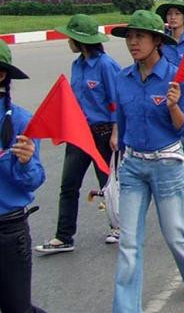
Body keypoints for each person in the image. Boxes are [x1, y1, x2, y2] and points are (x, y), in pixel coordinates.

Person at [109, 10, 184, 310]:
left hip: (167, 164)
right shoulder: (122, 78)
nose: (133, 42)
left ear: (157, 41)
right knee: (128, 243)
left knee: (174, 233)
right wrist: (118, 142)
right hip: (133, 167)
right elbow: (122, 118)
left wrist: (174, 107)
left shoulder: (175, 77)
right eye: (129, 36)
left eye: (140, 36)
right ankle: (126, 308)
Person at [35, 15, 120, 255]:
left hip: (104, 134)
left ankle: (119, 226)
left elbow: (116, 101)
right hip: (79, 134)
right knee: (69, 185)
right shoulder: (78, 65)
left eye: (70, 37)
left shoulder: (106, 65)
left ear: (80, 40)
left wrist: (116, 133)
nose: (67, 41)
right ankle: (64, 237)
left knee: (109, 185)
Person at [0, 42, 47, 313]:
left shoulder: (19, 121)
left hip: (8, 231)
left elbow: (33, 181)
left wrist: (26, 162)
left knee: (16, 308)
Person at [156, 0, 184, 206]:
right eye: (169, 14)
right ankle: (182, 185)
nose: (172, 17)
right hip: (170, 97)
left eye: (176, 14)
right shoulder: (161, 43)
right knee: (177, 143)